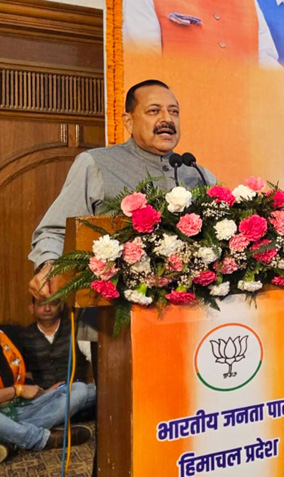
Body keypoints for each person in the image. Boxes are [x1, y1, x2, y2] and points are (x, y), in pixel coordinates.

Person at [29, 79, 216, 309]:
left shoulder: (198, 174)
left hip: (191, 313)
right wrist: (48, 265)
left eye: (174, 112)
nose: (167, 119)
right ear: (129, 121)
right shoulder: (96, 164)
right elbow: (55, 231)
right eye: (154, 111)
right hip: (113, 314)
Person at [0, 328, 93, 454]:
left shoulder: (6, 336)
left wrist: (43, 392)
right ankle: (40, 440)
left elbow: (24, 377)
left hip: (20, 407)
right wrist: (18, 390)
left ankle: (11, 435)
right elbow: (19, 389)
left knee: (81, 390)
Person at [122, 0, 260, 63]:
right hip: (181, 109)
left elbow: (267, 67)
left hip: (245, 110)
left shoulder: (250, 4)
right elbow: (145, 71)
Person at [20, 298, 96, 404]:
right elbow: (22, 374)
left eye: (53, 303)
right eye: (41, 304)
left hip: (75, 392)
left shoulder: (76, 328)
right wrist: (42, 392)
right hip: (44, 398)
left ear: (61, 306)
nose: (47, 309)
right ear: (32, 308)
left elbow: (95, 359)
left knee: (90, 391)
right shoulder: (24, 336)